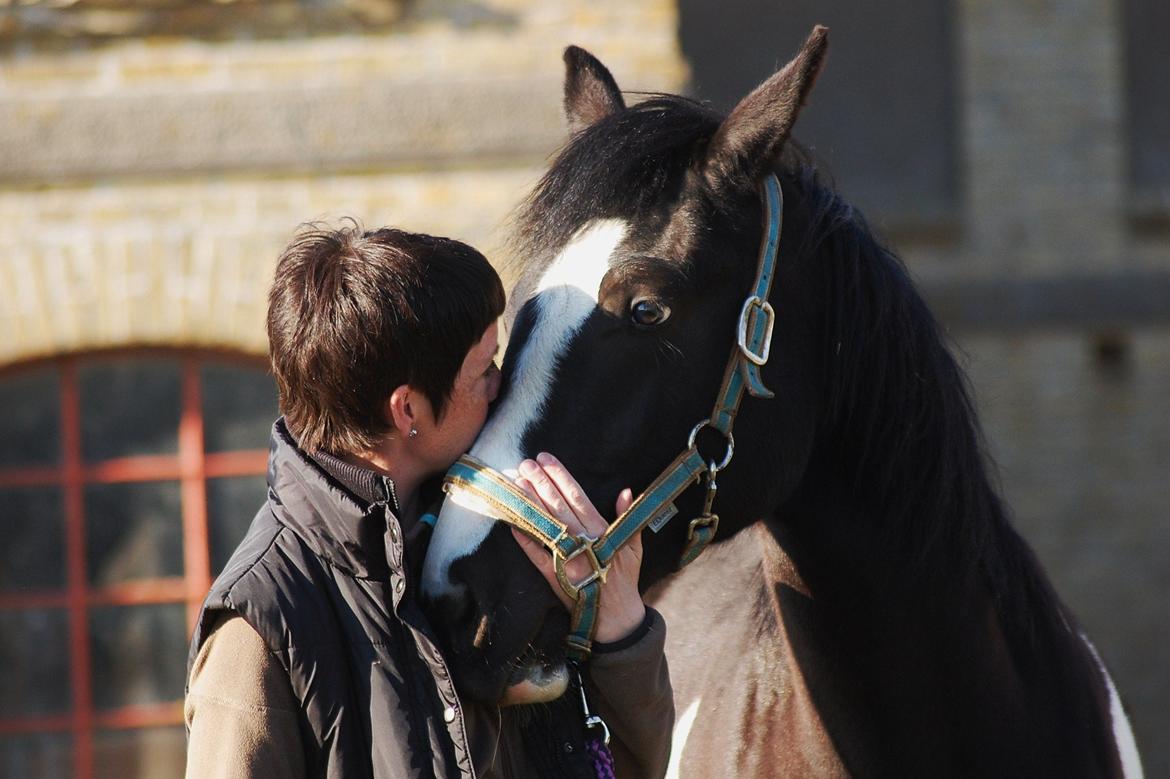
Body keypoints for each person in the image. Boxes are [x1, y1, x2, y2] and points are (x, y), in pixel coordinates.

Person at [184, 224, 674, 778]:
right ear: (408, 411)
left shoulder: (495, 547)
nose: (503, 386)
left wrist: (618, 631)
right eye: (484, 369)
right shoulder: (257, 631)